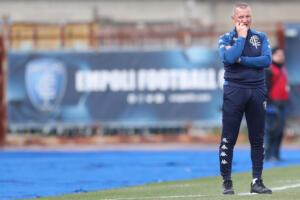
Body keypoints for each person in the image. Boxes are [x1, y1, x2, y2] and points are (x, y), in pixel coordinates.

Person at [218, 3, 272, 194]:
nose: (245, 20)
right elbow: (230, 57)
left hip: (257, 90)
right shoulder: (225, 38)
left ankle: (256, 181)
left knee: (257, 138)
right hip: (235, 90)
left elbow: (266, 60)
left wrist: (244, 60)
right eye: (241, 17)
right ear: (234, 19)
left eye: (247, 16)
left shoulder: (260, 37)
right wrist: (240, 39)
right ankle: (227, 181)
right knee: (228, 138)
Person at [264, 47, 289, 161]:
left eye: (282, 55)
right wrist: (269, 105)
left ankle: (276, 154)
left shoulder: (283, 69)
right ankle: (267, 156)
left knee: (279, 132)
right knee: (271, 131)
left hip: (282, 104)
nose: (281, 57)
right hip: (272, 105)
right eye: (278, 55)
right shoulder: (269, 69)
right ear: (272, 56)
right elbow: (265, 89)